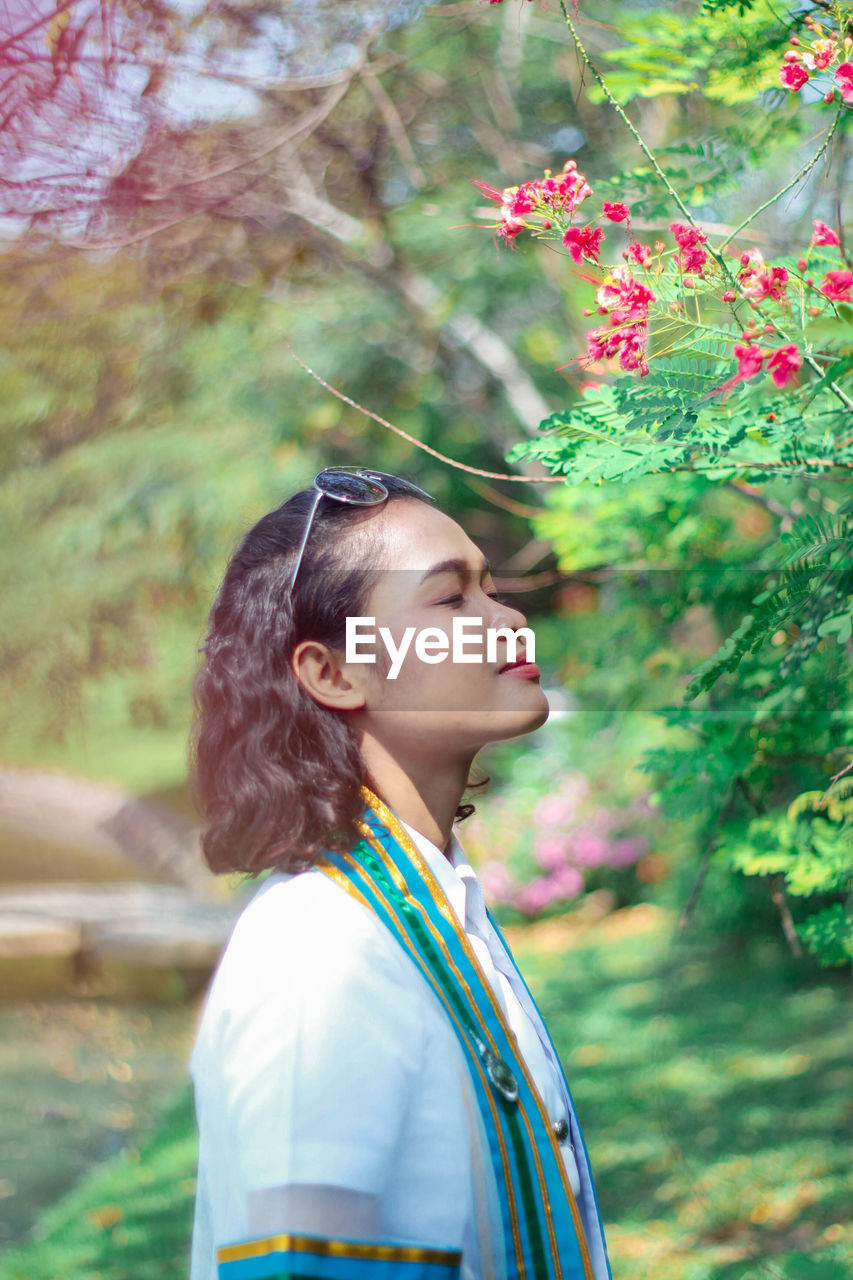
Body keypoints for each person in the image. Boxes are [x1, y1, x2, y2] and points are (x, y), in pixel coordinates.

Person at [189, 467, 613, 1280]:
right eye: (451, 600)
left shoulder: (436, 915)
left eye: (491, 587)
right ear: (333, 673)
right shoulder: (323, 953)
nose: (507, 619)